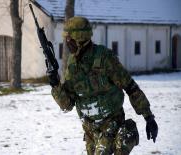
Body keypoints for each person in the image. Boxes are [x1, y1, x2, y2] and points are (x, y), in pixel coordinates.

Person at [48, 16, 158, 155]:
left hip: (112, 123)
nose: (67, 42)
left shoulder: (105, 58)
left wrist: (149, 118)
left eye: (70, 39)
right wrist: (55, 84)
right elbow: (67, 104)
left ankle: (126, 134)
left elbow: (130, 86)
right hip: (90, 130)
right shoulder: (72, 64)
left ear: (80, 38)